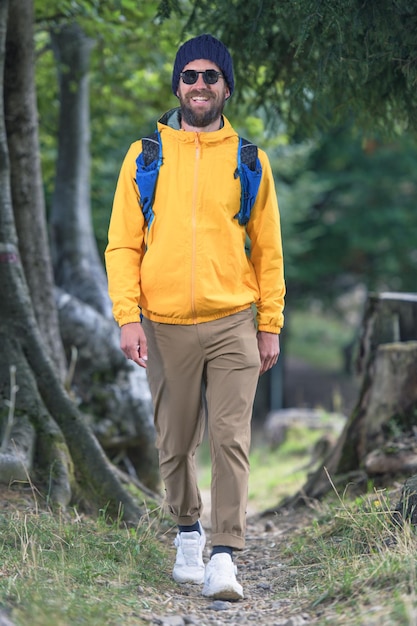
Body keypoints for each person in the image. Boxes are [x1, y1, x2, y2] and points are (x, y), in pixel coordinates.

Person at [105, 33, 285, 601]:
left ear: (226, 86)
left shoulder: (250, 159)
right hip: (163, 324)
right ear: (178, 85)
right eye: (190, 75)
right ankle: (188, 532)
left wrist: (269, 324)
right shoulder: (145, 156)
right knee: (174, 440)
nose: (200, 85)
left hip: (234, 317)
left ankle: (225, 556)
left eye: (211, 76)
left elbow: (269, 251)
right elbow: (122, 246)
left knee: (231, 438)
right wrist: (127, 317)